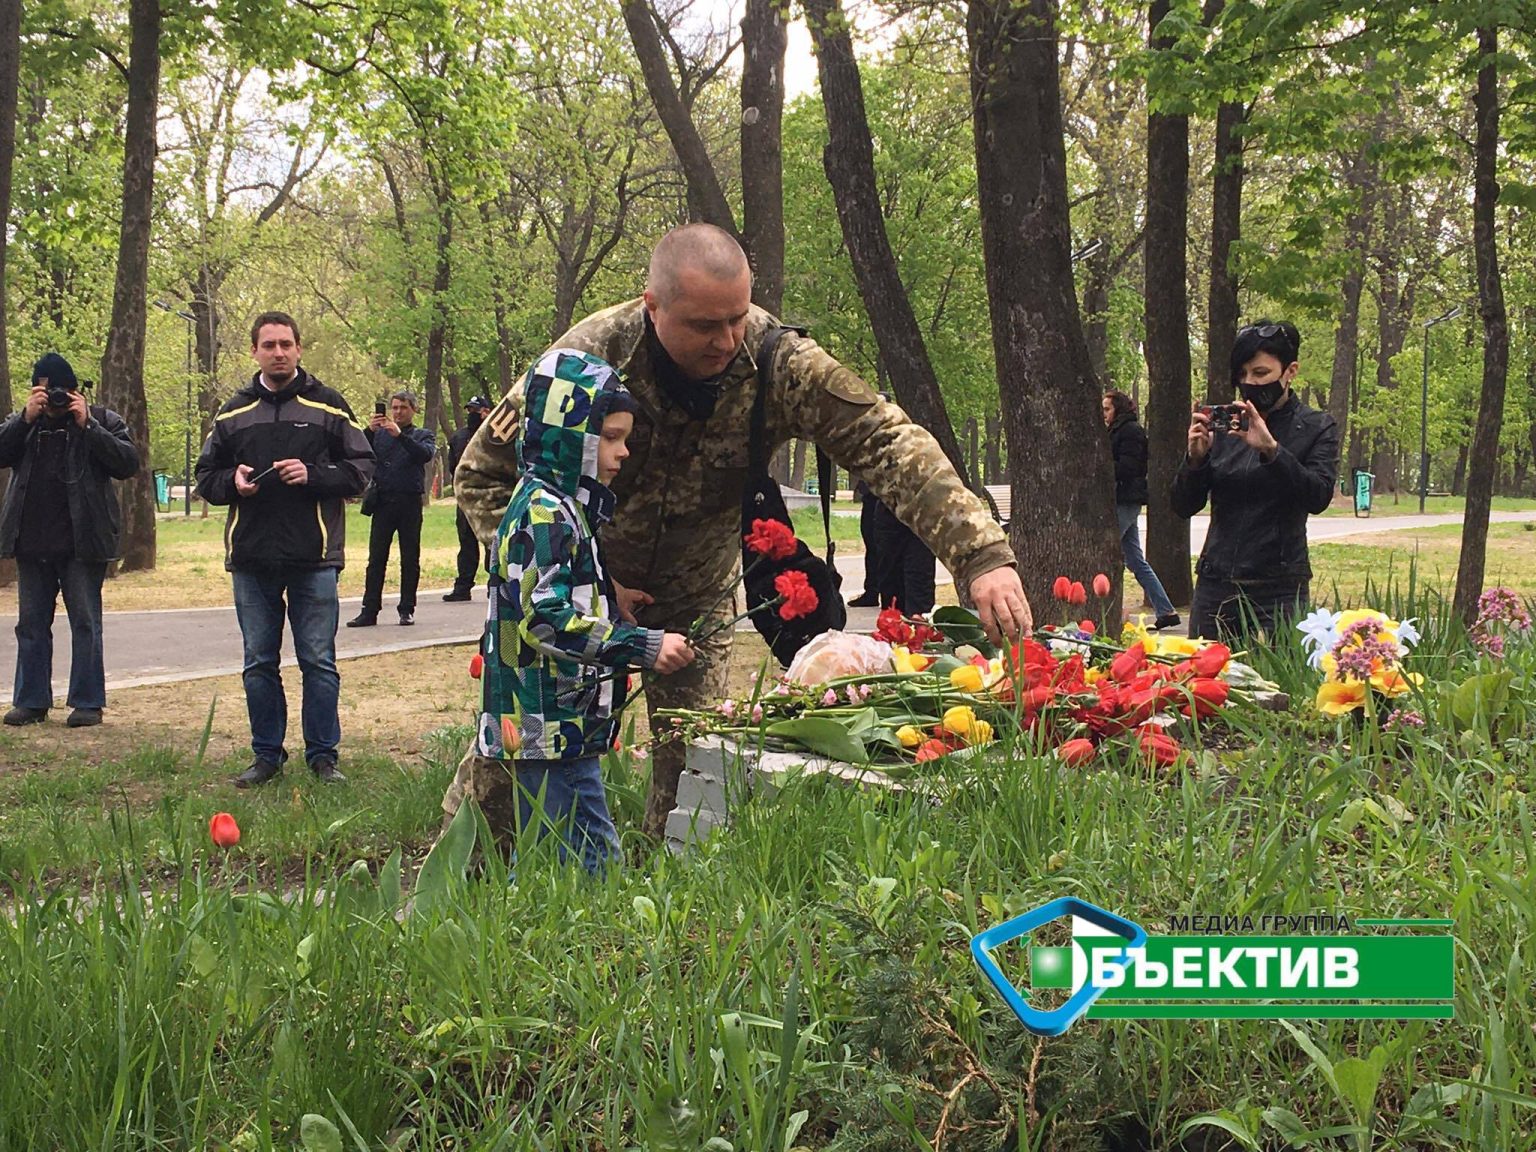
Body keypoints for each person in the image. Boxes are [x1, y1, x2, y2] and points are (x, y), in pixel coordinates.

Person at [449, 223, 1032, 841]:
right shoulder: (589, 360)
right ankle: (457, 882)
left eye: (737, 317)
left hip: (696, 593)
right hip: (582, 592)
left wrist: (980, 554)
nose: (728, 340)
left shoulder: (777, 359)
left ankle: (652, 898)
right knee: (516, 755)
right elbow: (482, 474)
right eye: (704, 326)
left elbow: (887, 441)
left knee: (693, 770)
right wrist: (581, 579)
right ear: (654, 307)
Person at [477, 349, 695, 872]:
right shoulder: (546, 512)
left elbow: (548, 589)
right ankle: (599, 944)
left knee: (551, 850)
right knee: (592, 859)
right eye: (612, 438)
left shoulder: (562, 504)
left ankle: (543, 928)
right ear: (570, 434)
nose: (623, 452)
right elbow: (547, 620)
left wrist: (607, 595)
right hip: (550, 721)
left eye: (626, 438)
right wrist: (643, 646)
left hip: (556, 718)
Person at [195, 311, 375, 786]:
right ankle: (266, 757)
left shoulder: (330, 407)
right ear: (254, 351)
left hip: (313, 558)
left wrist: (313, 475)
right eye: (269, 345)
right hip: (252, 559)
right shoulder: (232, 413)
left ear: (298, 350)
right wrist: (231, 482)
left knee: (319, 661)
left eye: (286, 344)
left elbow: (362, 468)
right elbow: (204, 478)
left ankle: (323, 757)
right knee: (259, 663)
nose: (278, 352)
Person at [1171, 320, 1340, 641]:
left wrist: (1272, 451)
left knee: (1278, 684)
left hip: (1279, 589)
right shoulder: (1225, 427)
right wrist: (1195, 460)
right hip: (1217, 584)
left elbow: (1318, 496)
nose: (1250, 382)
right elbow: (1183, 505)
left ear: (1290, 371)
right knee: (1205, 683)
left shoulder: (1317, 427)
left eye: (1261, 373)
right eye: (1243, 374)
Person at [0, 353, 140, 727]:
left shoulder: (102, 420)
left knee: (85, 622)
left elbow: (128, 463)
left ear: (76, 390)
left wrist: (88, 425)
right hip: (31, 541)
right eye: (45, 392)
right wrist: (25, 417)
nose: (54, 399)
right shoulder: (24, 424)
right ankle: (30, 701)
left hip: (83, 542)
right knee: (30, 624)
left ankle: (87, 702)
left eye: (61, 391)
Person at [348, 389, 435, 627]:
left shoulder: (422, 435)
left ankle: (407, 608)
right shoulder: (381, 435)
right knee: (376, 558)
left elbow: (424, 455)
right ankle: (369, 609)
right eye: (394, 408)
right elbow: (358, 451)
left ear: (413, 410)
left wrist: (400, 437)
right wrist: (369, 430)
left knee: (410, 558)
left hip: (409, 502)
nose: (397, 412)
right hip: (383, 501)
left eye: (403, 408)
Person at [1102, 390, 1179, 631]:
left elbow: (1130, 467)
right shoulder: (1116, 430)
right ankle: (1166, 611)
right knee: (1135, 560)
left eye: (1107, 409)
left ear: (1119, 409)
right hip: (1122, 497)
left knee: (1106, 550)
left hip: (1126, 499)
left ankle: (1109, 610)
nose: (1103, 414)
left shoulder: (1130, 431)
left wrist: (1102, 463)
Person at [443, 394, 491, 602]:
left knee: (493, 544)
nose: (472, 415)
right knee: (466, 544)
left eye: (476, 411)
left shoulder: (495, 436)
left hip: (490, 497)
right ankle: (463, 587)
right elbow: (453, 466)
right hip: (466, 499)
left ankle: (496, 585)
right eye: (470, 411)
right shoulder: (458, 437)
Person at [870, 491, 937, 616]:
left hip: (922, 510)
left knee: (919, 582)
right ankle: (892, 628)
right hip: (890, 507)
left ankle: (920, 630)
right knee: (890, 582)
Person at [845, 476, 880, 608]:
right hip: (873, 493)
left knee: (876, 547)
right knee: (872, 547)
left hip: (879, 494)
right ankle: (872, 591)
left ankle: (874, 591)